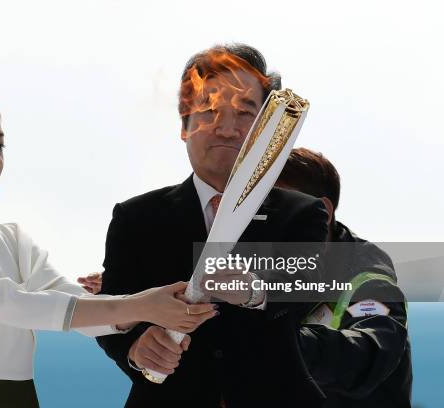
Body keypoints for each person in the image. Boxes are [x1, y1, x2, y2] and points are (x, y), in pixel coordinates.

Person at [0, 87, 218, 408]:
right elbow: (17, 304)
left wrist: (134, 299)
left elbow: (79, 308)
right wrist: (140, 305)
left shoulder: (11, 239)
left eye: (0, 146)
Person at [95, 44, 331, 407]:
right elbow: (113, 306)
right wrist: (135, 349)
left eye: (244, 112)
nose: (226, 128)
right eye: (208, 110)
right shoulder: (136, 217)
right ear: (184, 127)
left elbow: (304, 290)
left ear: (266, 130)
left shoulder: (300, 213)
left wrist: (255, 291)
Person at [275, 147, 412, 407]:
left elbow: (370, 352)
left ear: (322, 212)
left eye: (278, 206)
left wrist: (277, 344)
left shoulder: (369, 280)